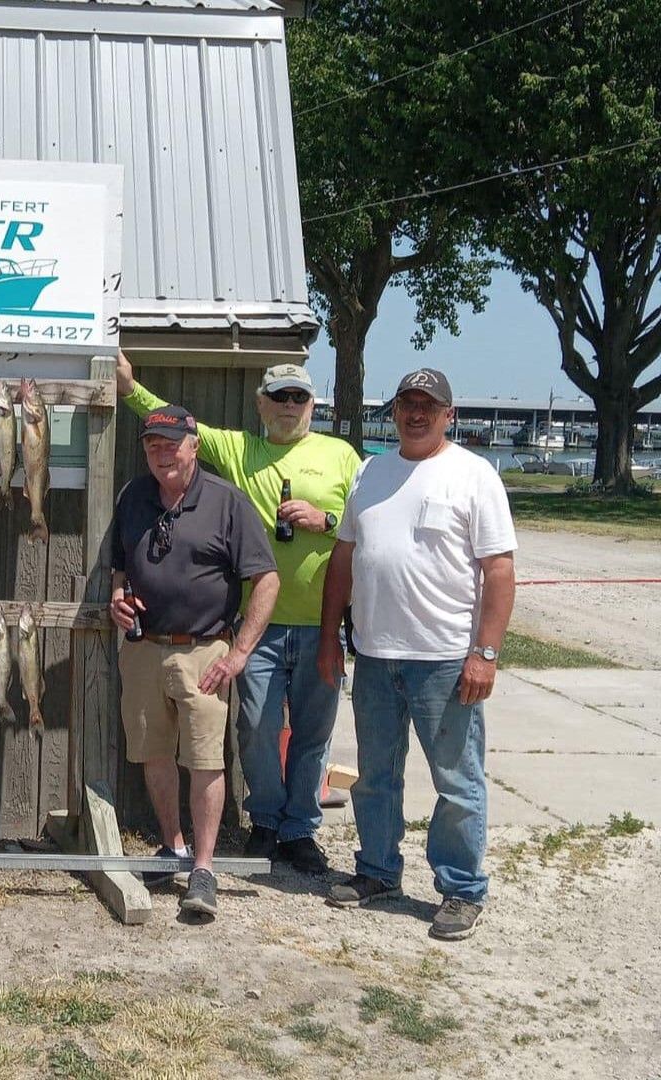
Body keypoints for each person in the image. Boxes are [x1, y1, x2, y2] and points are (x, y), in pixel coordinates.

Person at [117, 352, 359, 874]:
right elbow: (175, 428)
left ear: (312, 404)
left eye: (298, 397)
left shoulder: (341, 455)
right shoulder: (241, 448)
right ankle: (266, 821)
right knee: (256, 729)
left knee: (313, 734)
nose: (289, 405)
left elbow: (368, 522)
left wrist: (327, 519)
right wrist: (130, 388)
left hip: (322, 623)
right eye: (279, 396)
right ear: (260, 404)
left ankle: (301, 830)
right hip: (257, 626)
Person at [318, 368, 516, 941]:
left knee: (456, 782)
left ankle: (461, 889)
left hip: (446, 660)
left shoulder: (474, 475)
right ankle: (378, 871)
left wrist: (485, 653)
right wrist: (331, 636)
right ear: (396, 412)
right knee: (376, 776)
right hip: (375, 655)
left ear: (449, 415)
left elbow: (499, 571)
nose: (416, 413)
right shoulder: (371, 472)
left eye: (428, 404)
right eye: (407, 403)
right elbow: (343, 559)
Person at [110, 405, 280, 920]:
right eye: (152, 445)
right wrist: (118, 596)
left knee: (205, 759)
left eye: (171, 445)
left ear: (194, 446)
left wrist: (240, 652)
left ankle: (203, 869)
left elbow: (267, 580)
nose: (161, 454)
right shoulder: (133, 496)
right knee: (153, 752)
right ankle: (173, 847)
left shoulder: (227, 502)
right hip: (143, 649)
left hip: (206, 650)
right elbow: (119, 566)